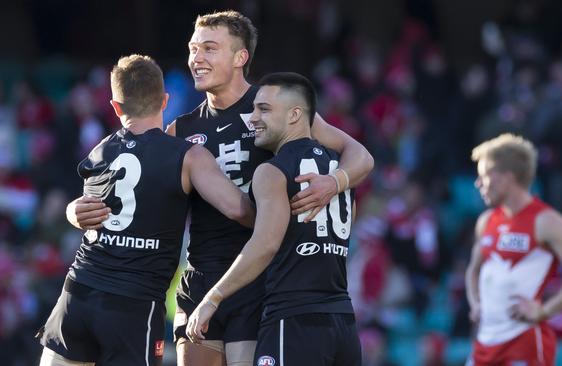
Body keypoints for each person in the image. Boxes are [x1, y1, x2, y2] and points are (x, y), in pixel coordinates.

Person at [67, 10, 373, 366]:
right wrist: (76, 211)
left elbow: (359, 154)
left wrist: (335, 182)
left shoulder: (273, 108)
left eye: (210, 48)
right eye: (193, 48)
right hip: (200, 278)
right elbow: (137, 202)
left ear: (240, 57)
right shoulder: (179, 130)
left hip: (258, 280)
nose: (197, 58)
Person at [38, 54, 256, 366]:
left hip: (78, 293)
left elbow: (86, 212)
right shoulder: (187, 156)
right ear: (165, 100)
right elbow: (237, 209)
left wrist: (72, 212)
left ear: (115, 107)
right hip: (133, 306)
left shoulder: (100, 150)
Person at [187, 72, 362, 366]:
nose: (253, 118)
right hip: (343, 321)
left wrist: (212, 298)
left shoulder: (271, 171)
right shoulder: (337, 171)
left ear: (295, 115)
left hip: (293, 321)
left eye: (264, 109)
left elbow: (265, 244)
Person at [464, 133, 562, 366]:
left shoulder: (545, 221)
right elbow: (473, 271)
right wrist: (475, 303)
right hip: (485, 344)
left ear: (507, 178)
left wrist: (544, 311)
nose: (478, 184)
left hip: (523, 344)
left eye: (485, 176)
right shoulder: (486, 221)